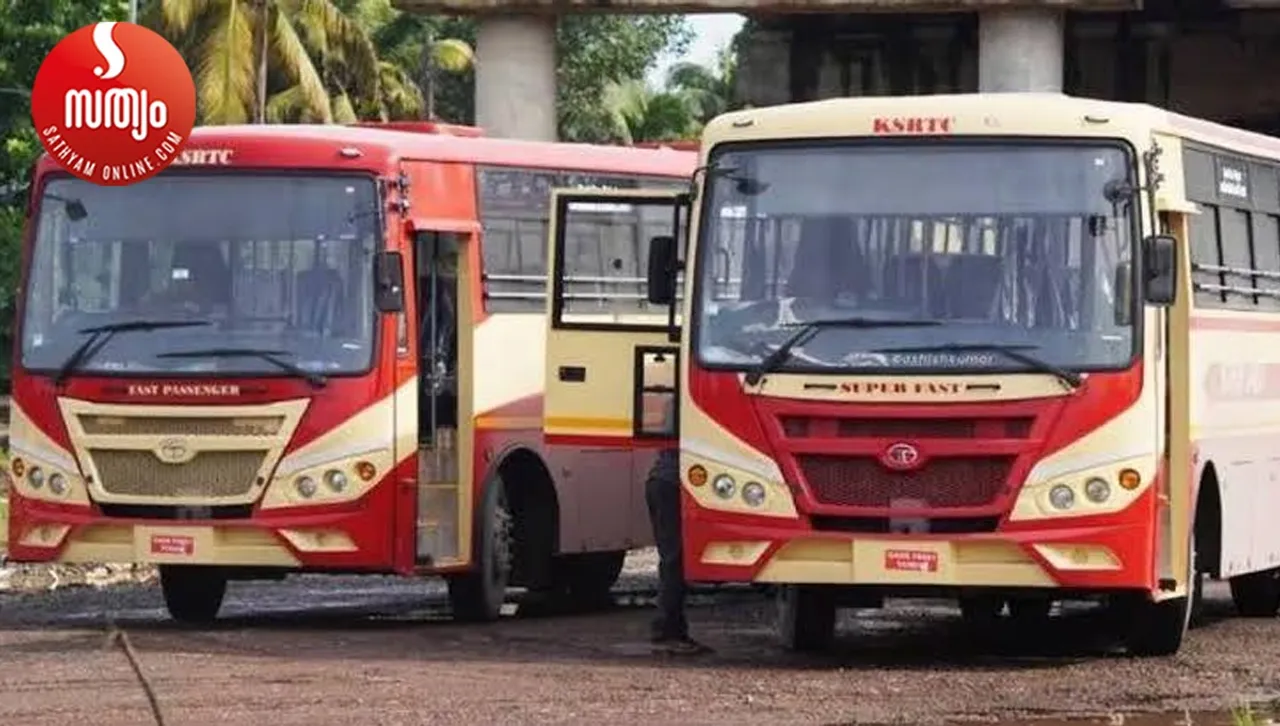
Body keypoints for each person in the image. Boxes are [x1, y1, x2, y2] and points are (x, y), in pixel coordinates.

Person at [645, 398, 713, 656]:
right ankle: (666, 631)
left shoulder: (676, 397)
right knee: (674, 559)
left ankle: (673, 630)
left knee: (672, 558)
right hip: (673, 483)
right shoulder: (693, 397)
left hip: (662, 480)